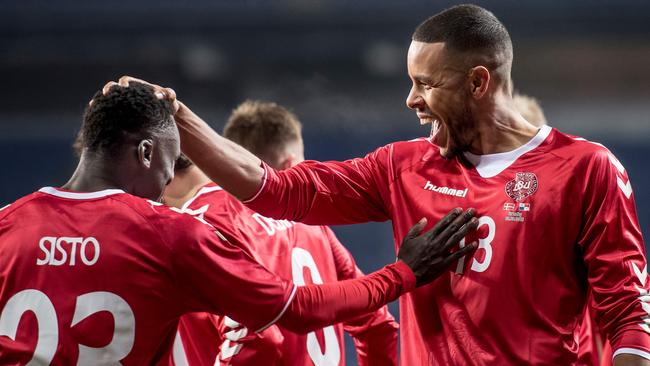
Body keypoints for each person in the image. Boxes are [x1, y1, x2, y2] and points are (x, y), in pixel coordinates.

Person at [113, 3, 650, 365]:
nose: (411, 100)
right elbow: (279, 190)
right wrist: (177, 116)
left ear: (479, 82)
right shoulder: (402, 167)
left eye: (425, 84)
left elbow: (626, 312)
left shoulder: (586, 169)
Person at [0, 82, 479, 364]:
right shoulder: (169, 233)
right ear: (146, 151)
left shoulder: (8, 226)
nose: (167, 184)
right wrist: (404, 272)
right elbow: (302, 312)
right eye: (170, 167)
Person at [165, 100, 398, 365]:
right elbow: (377, 321)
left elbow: (255, 336)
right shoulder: (312, 224)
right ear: (290, 164)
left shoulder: (201, 223)